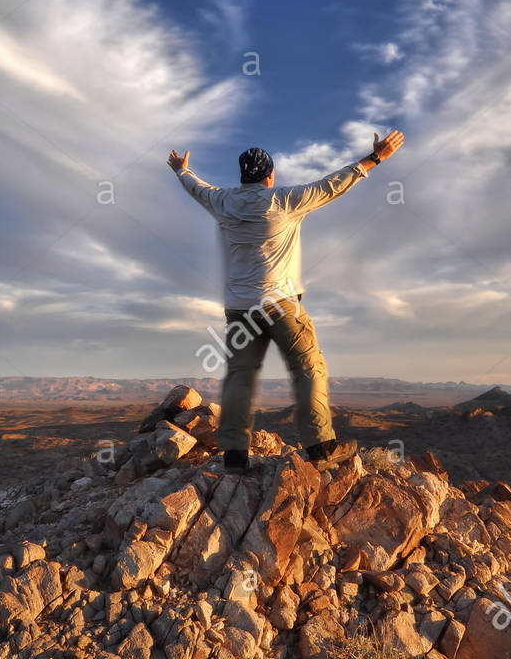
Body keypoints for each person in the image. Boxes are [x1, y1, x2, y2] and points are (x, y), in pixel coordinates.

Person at [168, 130, 405, 475]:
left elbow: (196, 188)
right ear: (270, 176)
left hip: (239, 309)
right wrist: (375, 158)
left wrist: (180, 170)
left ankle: (234, 456)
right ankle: (321, 446)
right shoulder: (286, 200)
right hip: (281, 303)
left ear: (242, 176)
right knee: (308, 367)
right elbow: (333, 184)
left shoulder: (222, 201)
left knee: (239, 378)